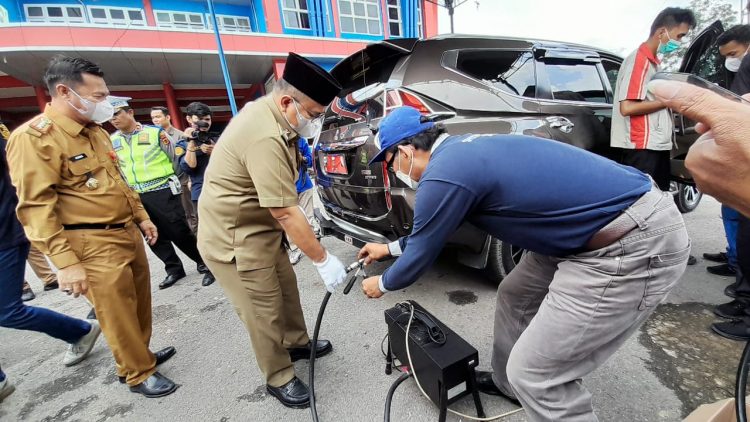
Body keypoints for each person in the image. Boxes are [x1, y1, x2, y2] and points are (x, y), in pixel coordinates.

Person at [357, 106, 690, 421]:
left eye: (388, 163)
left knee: (537, 373)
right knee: (515, 294)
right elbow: (434, 230)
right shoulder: (460, 153)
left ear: (405, 151)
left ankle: (529, 384)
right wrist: (386, 249)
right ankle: (509, 386)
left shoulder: (444, 175)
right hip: (582, 233)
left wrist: (382, 283)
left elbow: (419, 257)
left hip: (629, 240)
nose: (392, 171)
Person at [6, 56, 177, 397]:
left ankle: (137, 357)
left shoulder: (95, 132)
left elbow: (119, 180)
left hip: (125, 230)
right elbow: (37, 206)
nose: (104, 104)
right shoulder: (35, 139)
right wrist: (66, 263)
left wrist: (141, 217)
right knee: (116, 313)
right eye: (97, 96)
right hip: (89, 239)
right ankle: (137, 373)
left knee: (138, 303)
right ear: (65, 92)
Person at [198, 52, 347, 409]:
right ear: (286, 100)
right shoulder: (264, 135)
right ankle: (278, 375)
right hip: (236, 239)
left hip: (262, 230)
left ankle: (297, 343)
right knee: (262, 309)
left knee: (286, 291)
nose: (312, 122)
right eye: (311, 114)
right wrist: (323, 259)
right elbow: (284, 210)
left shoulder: (275, 116)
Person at [1, 116, 101, 369]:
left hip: (5, 233)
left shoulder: (23, 139)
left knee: (7, 311)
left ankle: (79, 330)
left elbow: (26, 189)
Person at [109, 99, 215, 288]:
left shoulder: (155, 133)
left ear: (130, 112)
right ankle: (173, 268)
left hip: (162, 190)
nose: (113, 119)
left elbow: (175, 159)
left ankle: (203, 262)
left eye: (117, 114)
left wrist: (176, 183)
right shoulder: (112, 140)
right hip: (136, 194)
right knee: (152, 235)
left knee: (179, 230)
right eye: (110, 116)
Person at [701, 25, 750, 279]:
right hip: (735, 154)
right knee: (731, 211)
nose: (730, 61)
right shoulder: (737, 73)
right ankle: (734, 256)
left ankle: (739, 268)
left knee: (740, 215)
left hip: (744, 155)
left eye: (734, 53)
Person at [151, 106, 196, 234]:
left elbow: (186, 160)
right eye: (153, 117)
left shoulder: (180, 136)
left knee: (189, 213)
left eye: (158, 116)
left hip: (181, 179)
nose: (155, 120)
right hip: (164, 183)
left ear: (168, 117)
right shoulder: (152, 136)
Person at [177, 101, 218, 218]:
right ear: (189, 119)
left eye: (207, 119)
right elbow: (189, 168)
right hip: (201, 192)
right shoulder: (182, 143)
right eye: (200, 119)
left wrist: (215, 151)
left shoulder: (218, 138)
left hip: (223, 190)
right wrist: (191, 143)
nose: (204, 123)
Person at [288, 137, 315, 265]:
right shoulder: (276, 142)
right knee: (290, 222)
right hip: (287, 189)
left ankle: (312, 247)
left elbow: (310, 162)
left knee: (308, 218)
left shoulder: (301, 141)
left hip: (304, 186)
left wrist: (302, 158)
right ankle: (295, 249)